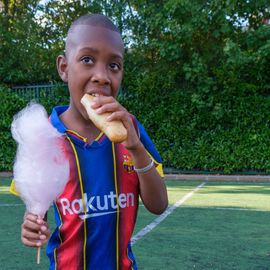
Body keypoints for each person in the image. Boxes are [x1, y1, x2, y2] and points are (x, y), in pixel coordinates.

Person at [10, 13, 168, 270]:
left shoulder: (131, 129)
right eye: (87, 60)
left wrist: (136, 148)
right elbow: (35, 207)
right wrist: (31, 224)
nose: (102, 76)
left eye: (113, 65)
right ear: (64, 68)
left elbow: (159, 205)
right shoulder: (44, 135)